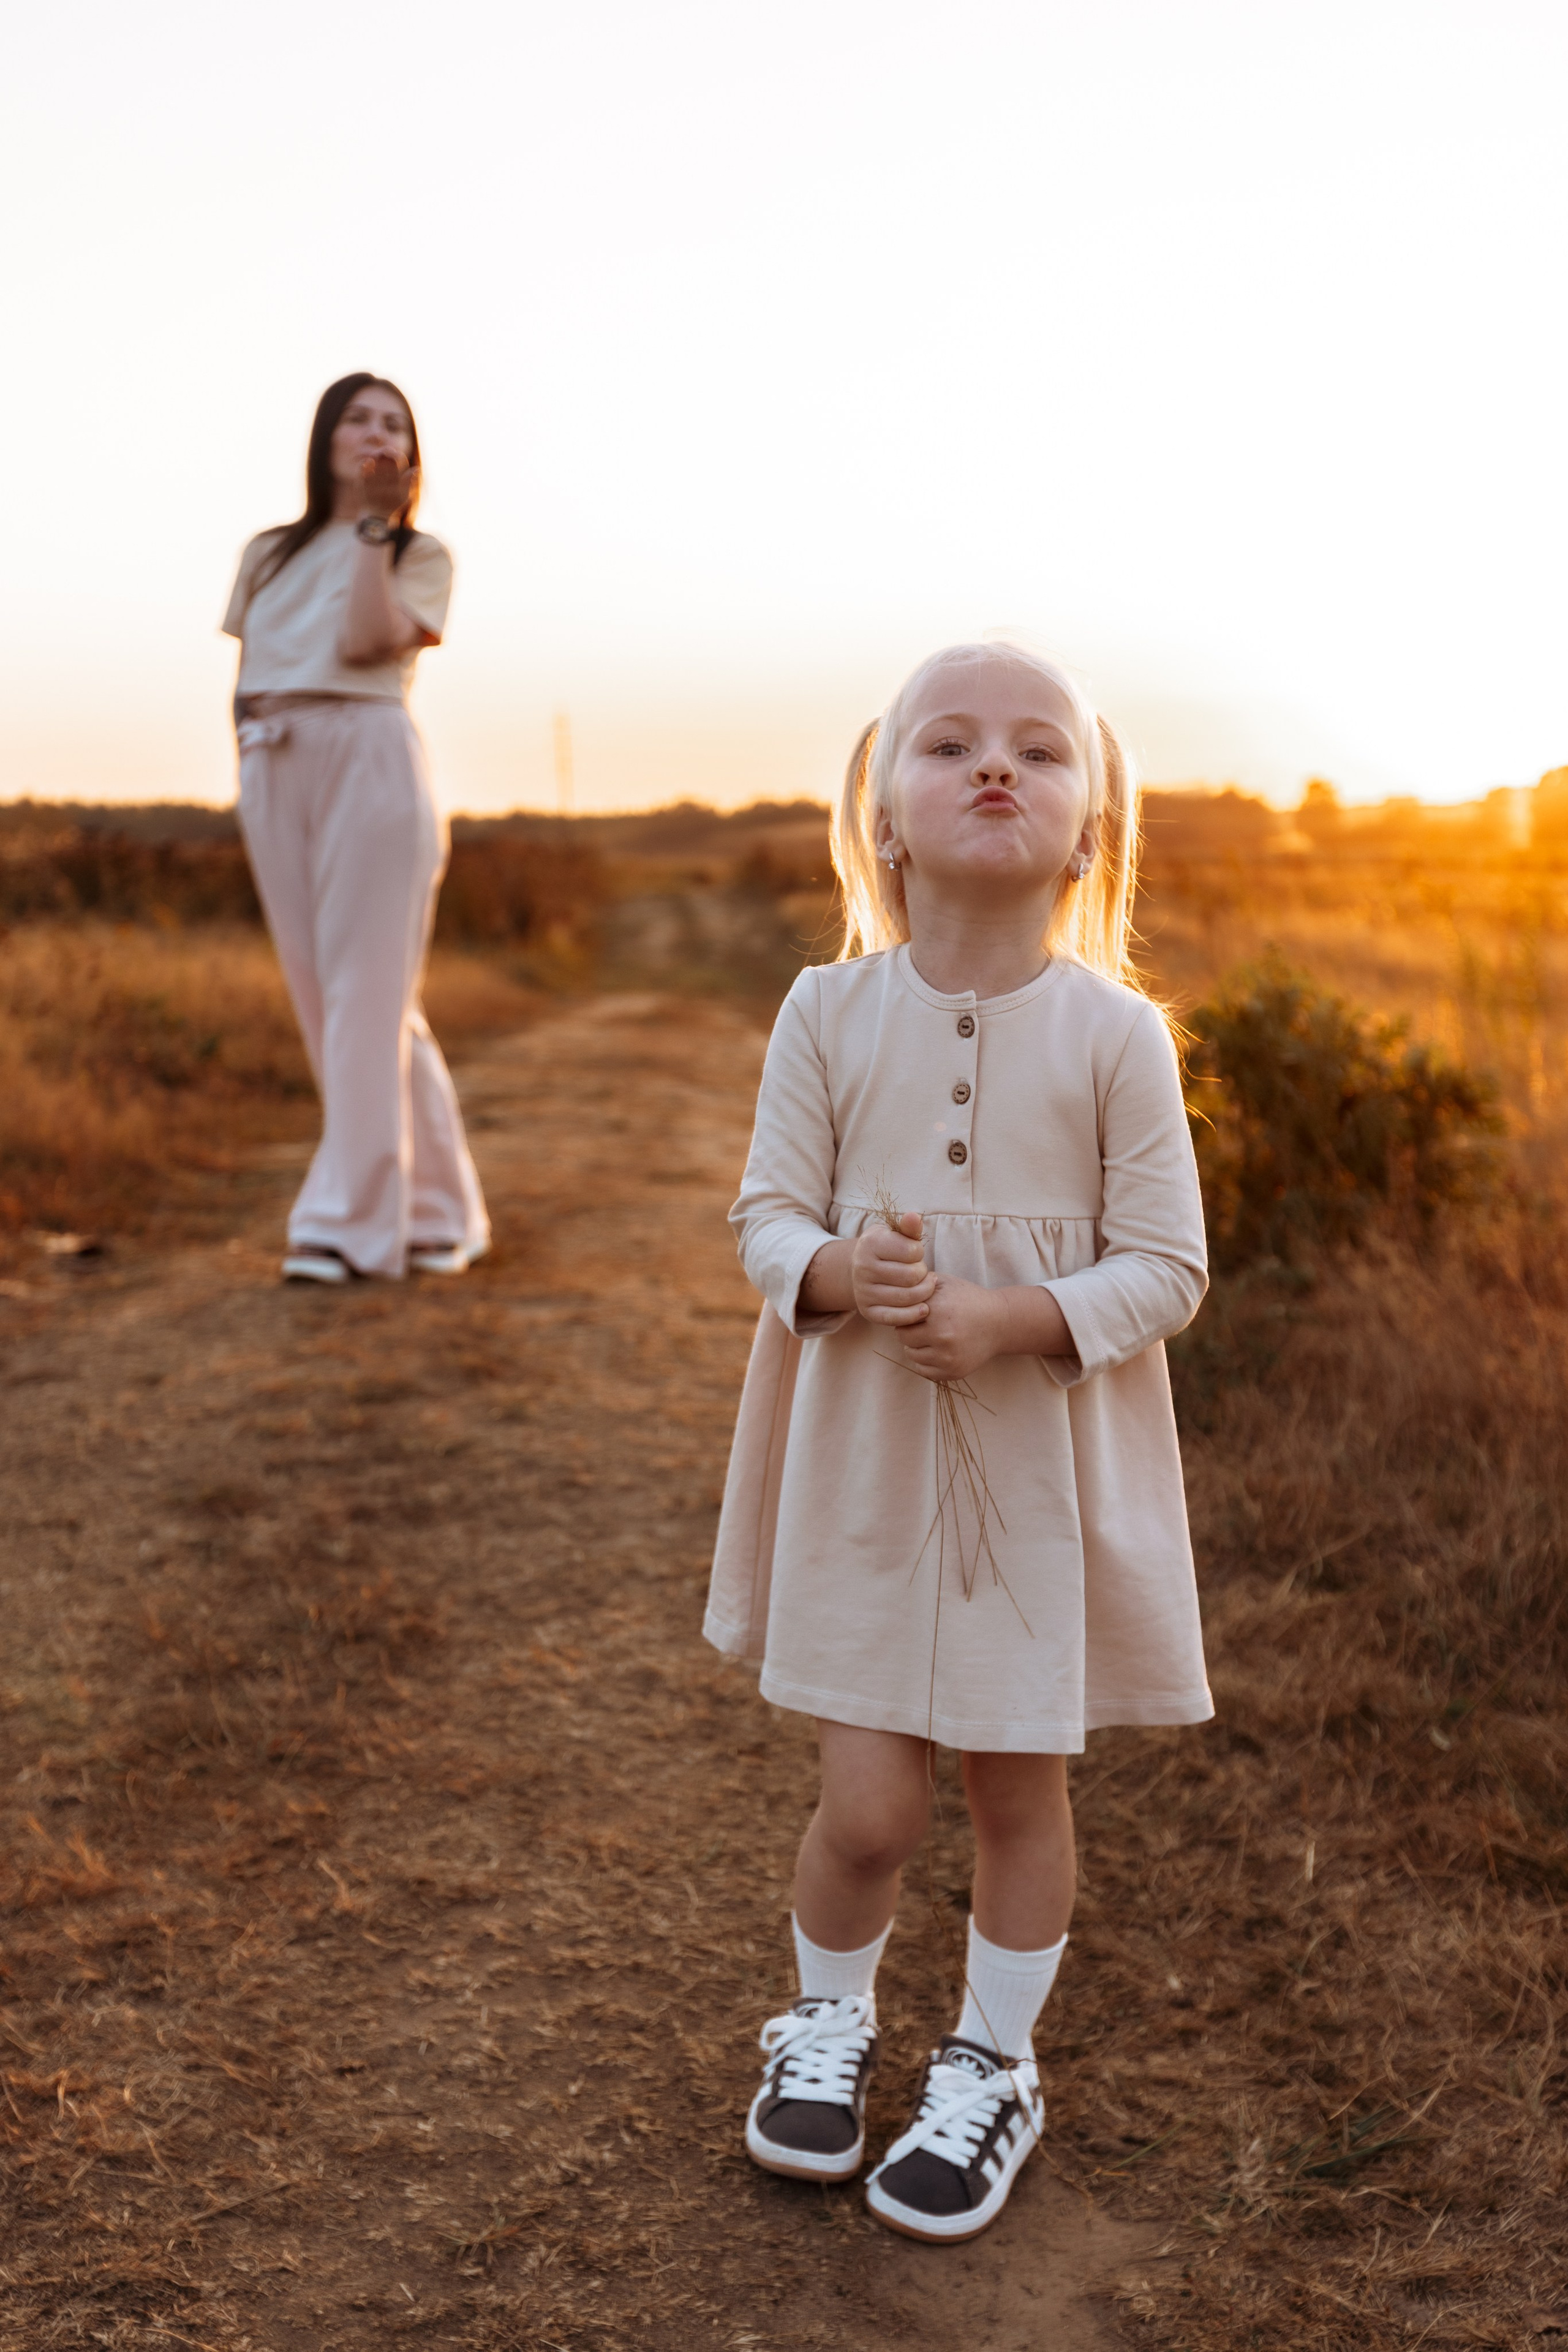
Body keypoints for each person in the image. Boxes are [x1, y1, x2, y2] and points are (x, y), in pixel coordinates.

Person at [705, 643, 1212, 2243]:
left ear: (1088, 835)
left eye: (1041, 752)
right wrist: (841, 1271)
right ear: (886, 823)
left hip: (1035, 1481)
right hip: (861, 1466)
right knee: (866, 1807)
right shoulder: (827, 1010)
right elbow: (765, 1215)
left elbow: (1171, 1265)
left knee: (1013, 1790)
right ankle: (826, 2022)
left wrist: (1019, 1318)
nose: (998, 765)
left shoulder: (1120, 1037)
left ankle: (994, 2060)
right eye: (951, 744)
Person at [222, 372, 490, 1283]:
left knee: (366, 1001)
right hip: (271, 757)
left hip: (368, 755)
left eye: (394, 424)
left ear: (410, 458)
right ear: (326, 436)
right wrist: (250, 760)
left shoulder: (421, 554)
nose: (375, 432)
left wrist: (376, 526)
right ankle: (439, 1213)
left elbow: (364, 643)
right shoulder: (266, 552)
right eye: (358, 417)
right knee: (331, 997)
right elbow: (253, 663)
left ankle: (347, 1229)